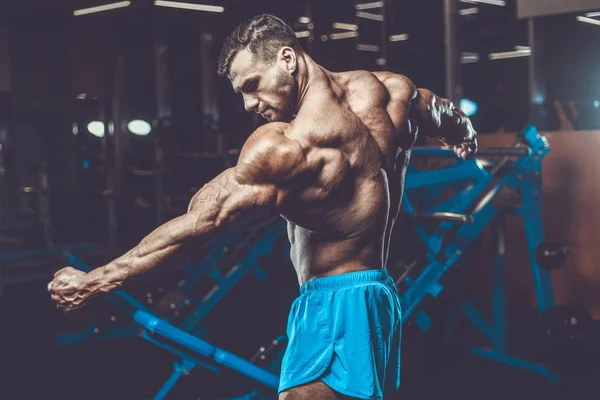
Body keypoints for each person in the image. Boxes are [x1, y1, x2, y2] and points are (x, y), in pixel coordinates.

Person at [49, 14, 477, 400]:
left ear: (287, 59)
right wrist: (463, 133)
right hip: (378, 294)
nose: (248, 104)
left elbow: (202, 224)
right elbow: (440, 111)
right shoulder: (390, 91)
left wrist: (97, 280)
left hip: (333, 307)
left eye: (251, 85)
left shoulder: (290, 146)